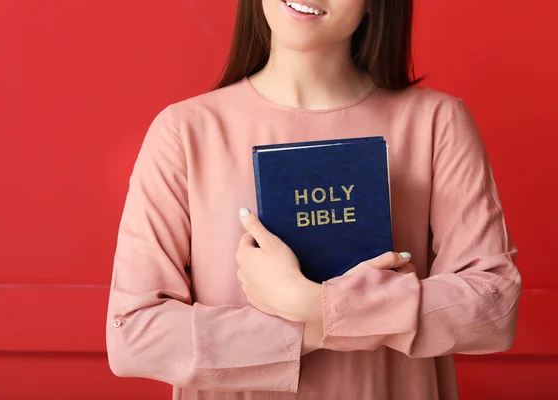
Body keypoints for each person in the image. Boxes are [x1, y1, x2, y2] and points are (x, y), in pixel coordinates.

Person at [105, 0, 522, 399]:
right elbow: (135, 336)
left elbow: (493, 309)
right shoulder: (185, 132)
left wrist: (305, 304)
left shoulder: (436, 123)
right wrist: (315, 322)